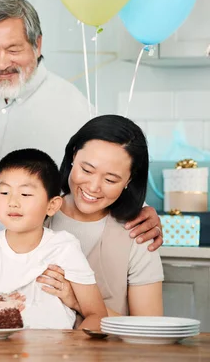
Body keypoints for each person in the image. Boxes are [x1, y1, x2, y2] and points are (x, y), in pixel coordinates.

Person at [0, 0, 163, 248]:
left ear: (38, 44)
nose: (2, 63)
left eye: (13, 49)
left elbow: (109, 167)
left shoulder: (74, 106)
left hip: (33, 254)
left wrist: (141, 209)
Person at [0, 149, 107, 330]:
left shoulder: (64, 248)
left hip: (55, 351)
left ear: (52, 205)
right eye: (4, 193)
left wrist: (74, 351)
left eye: (25, 194)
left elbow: (96, 314)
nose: (13, 202)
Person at [38, 115, 164, 317]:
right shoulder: (32, 214)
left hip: (109, 349)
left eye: (111, 179)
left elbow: (148, 328)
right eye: (86, 170)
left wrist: (78, 301)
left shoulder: (138, 234)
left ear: (129, 180)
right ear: (73, 156)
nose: (93, 187)